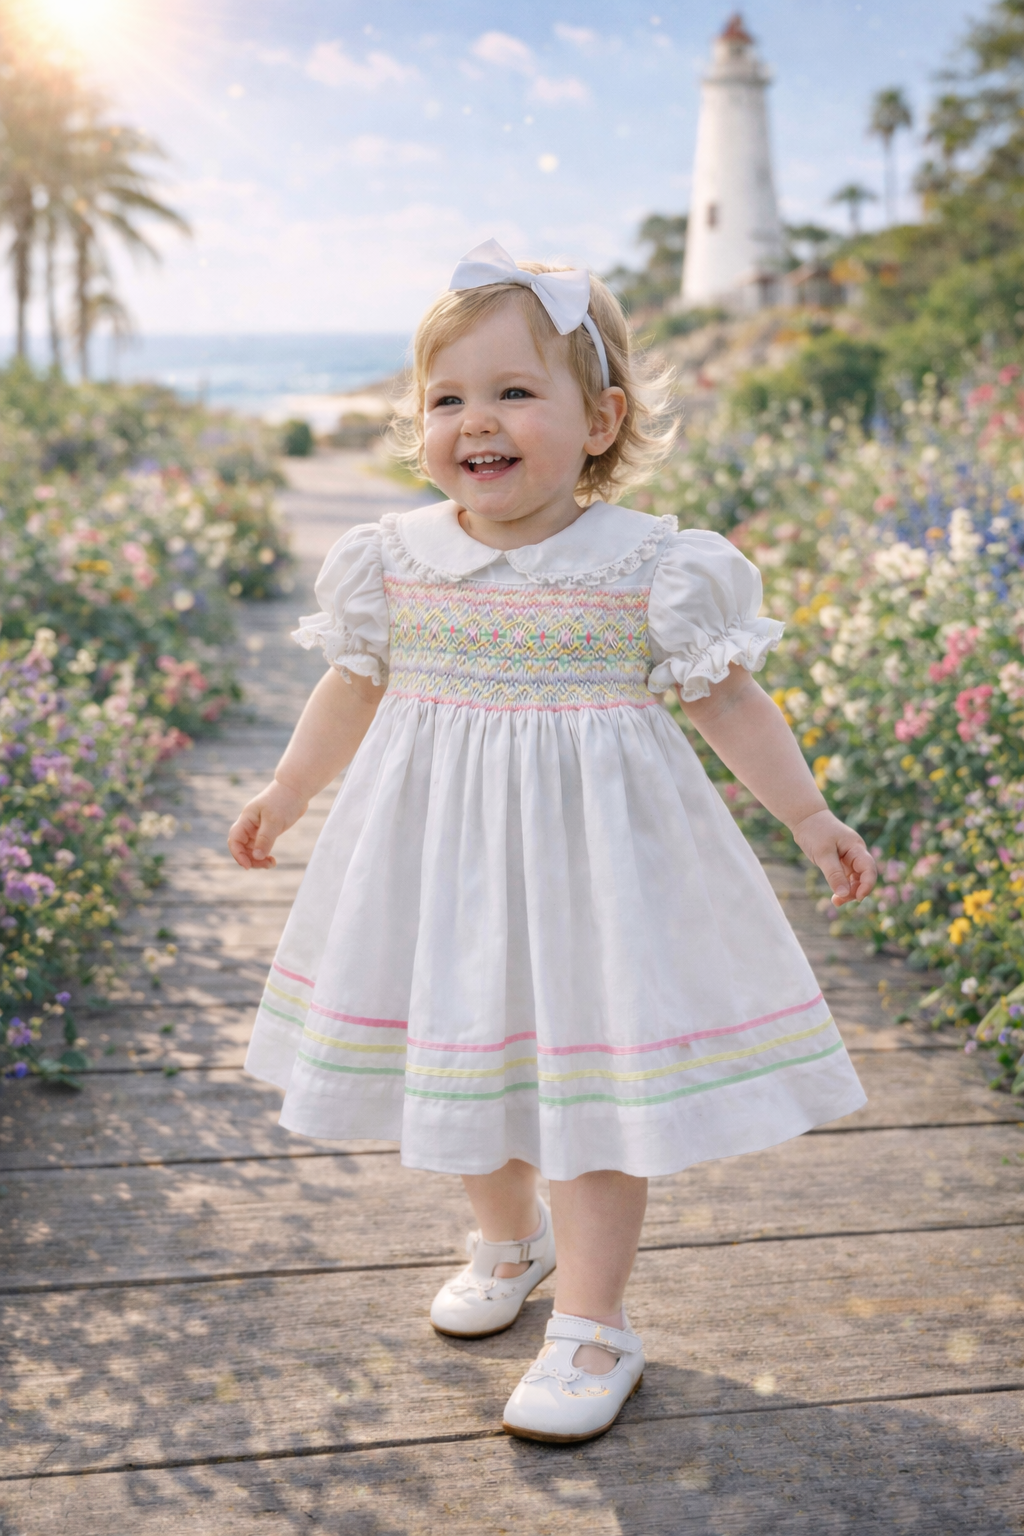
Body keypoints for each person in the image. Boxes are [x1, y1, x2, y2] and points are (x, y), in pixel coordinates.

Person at [228, 238, 876, 1445]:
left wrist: (806, 813)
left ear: (599, 420)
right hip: (446, 871)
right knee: (470, 1059)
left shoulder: (650, 568)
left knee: (584, 1087)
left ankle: (594, 1321)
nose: (477, 420)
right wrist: (285, 792)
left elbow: (726, 698)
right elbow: (351, 690)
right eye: (447, 397)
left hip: (594, 879)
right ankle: (506, 1242)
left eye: (515, 391)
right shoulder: (393, 563)